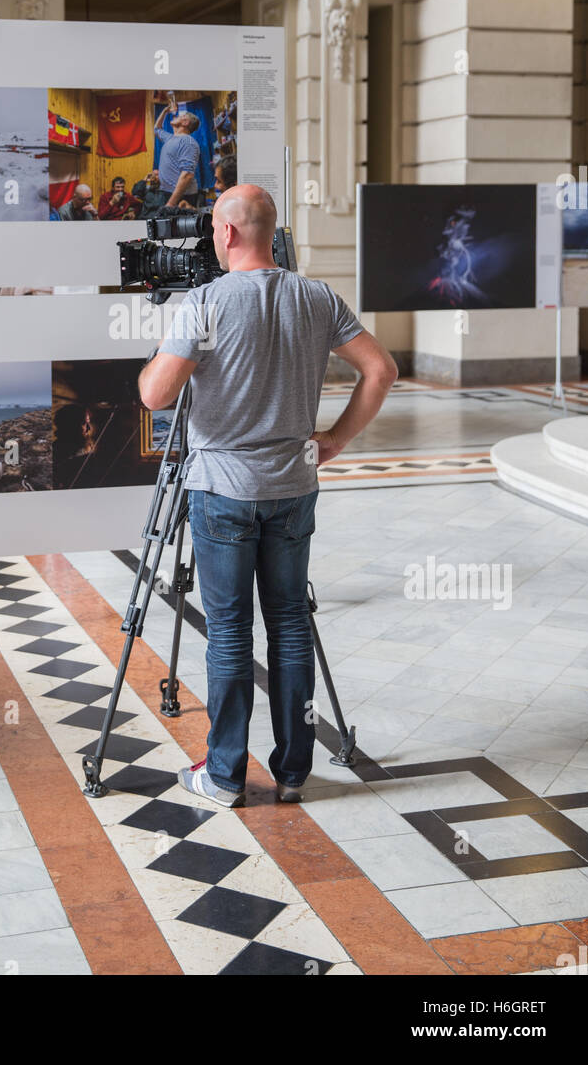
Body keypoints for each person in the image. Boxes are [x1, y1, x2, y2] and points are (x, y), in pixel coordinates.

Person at [138, 185, 397, 809]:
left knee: (229, 635)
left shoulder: (204, 302)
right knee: (289, 628)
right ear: (270, 232)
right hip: (294, 486)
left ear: (226, 234)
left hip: (223, 490)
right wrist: (334, 437)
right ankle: (291, 772)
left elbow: (155, 395)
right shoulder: (316, 296)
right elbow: (380, 369)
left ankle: (224, 774)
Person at [155, 98, 202, 208]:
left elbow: (187, 175)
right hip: (167, 193)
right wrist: (165, 111)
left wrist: (171, 203)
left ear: (185, 122)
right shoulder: (170, 138)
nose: (175, 116)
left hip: (181, 196)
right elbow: (157, 129)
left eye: (180, 116)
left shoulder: (188, 142)